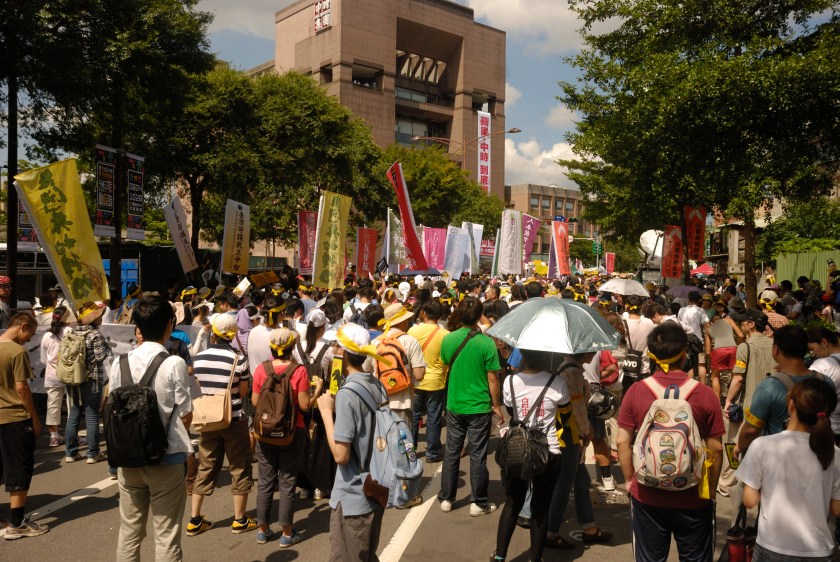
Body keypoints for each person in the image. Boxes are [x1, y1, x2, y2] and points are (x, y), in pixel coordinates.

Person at [616, 322, 724, 562]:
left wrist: (629, 480)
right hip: (694, 496)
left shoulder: (635, 391)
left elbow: (622, 441)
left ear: (651, 354)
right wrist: (711, 489)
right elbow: (716, 448)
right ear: (685, 353)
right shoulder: (705, 394)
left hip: (647, 494)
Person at [110, 296, 192, 560]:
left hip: (128, 458)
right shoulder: (174, 363)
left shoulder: (119, 362)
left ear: (138, 327)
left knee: (129, 532)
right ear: (170, 325)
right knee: (167, 535)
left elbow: (111, 407)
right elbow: (186, 414)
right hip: (167, 458)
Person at [736, 378, 840, 562]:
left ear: (791, 404)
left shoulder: (762, 446)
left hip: (772, 547)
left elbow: (749, 500)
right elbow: (836, 509)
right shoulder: (835, 453)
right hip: (819, 550)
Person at [316, 323, 389, 561]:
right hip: (376, 487)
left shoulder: (347, 394)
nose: (333, 349)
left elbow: (341, 455)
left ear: (343, 353)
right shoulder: (376, 384)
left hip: (353, 496)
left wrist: (326, 413)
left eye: (335, 346)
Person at [491, 349, 569, 562]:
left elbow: (511, 410)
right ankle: (536, 558)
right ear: (545, 357)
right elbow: (564, 412)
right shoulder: (558, 382)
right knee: (540, 508)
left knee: (512, 503)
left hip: (518, 449)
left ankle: (499, 556)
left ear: (523, 356)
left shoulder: (510, 381)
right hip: (548, 451)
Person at [250, 328, 323, 547]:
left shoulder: (262, 370)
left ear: (271, 348)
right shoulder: (299, 371)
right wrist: (317, 390)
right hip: (292, 432)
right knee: (287, 481)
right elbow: (304, 405)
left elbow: (255, 402)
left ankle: (263, 530)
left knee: (265, 481)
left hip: (265, 432)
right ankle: (287, 534)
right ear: (292, 348)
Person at [188, 313, 257, 536]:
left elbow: (199, 384)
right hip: (233, 419)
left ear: (214, 334)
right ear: (233, 335)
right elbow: (243, 392)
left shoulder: (199, 358)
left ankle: (195, 519)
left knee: (206, 466)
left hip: (208, 419)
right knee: (239, 465)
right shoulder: (239, 360)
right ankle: (239, 519)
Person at [438, 296, 503, 516]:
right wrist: (497, 405)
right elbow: (493, 378)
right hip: (480, 405)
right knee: (477, 455)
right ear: (478, 316)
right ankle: (478, 502)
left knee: (452, 452)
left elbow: (446, 364)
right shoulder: (487, 343)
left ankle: (447, 498)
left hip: (455, 403)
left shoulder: (448, 339)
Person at [736, 325, 835, 457]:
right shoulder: (826, 382)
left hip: (780, 457)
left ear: (776, 349)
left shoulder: (769, 387)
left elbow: (751, 430)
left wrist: (740, 446)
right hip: (820, 453)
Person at [0, 313, 48, 539]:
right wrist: (35, 418)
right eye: (30, 333)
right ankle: (17, 522)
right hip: (15, 417)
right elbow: (22, 388)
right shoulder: (17, 352)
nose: (30, 339)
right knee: (20, 468)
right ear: (22, 326)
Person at [718, 308, 774, 498]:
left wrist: (728, 400)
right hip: (771, 406)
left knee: (736, 444)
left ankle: (727, 483)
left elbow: (738, 378)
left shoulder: (745, 347)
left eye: (743, 321)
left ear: (752, 324)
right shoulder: (774, 345)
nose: (740, 324)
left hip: (748, 406)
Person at [65, 301, 111, 464]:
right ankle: (92, 454)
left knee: (74, 415)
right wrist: (107, 348)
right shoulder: (95, 334)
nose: (101, 318)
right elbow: (100, 356)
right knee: (92, 417)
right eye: (99, 316)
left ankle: (70, 453)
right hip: (92, 379)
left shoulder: (72, 332)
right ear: (93, 319)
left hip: (72, 379)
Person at [407, 299, 450, 463]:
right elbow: (446, 360)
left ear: (423, 313)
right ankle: (432, 453)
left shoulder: (413, 331)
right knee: (433, 418)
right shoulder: (445, 334)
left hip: (415, 379)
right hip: (436, 380)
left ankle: (410, 452)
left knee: (414, 417)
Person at [374, 303, 425, 426]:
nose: (408, 322)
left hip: (380, 401)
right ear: (401, 322)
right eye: (406, 320)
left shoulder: (376, 342)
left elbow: (366, 370)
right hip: (404, 402)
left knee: (382, 437)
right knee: (403, 436)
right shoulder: (410, 341)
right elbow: (419, 375)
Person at [40, 306, 71, 447]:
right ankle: (72, 435)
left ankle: (53, 436)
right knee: (72, 405)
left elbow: (43, 359)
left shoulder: (47, 335)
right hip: (70, 374)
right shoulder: (70, 332)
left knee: (53, 406)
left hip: (52, 375)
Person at [807, 326, 840, 442]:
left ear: (824, 342)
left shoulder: (822, 365)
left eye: (812, 349)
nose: (812, 353)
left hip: (835, 432)